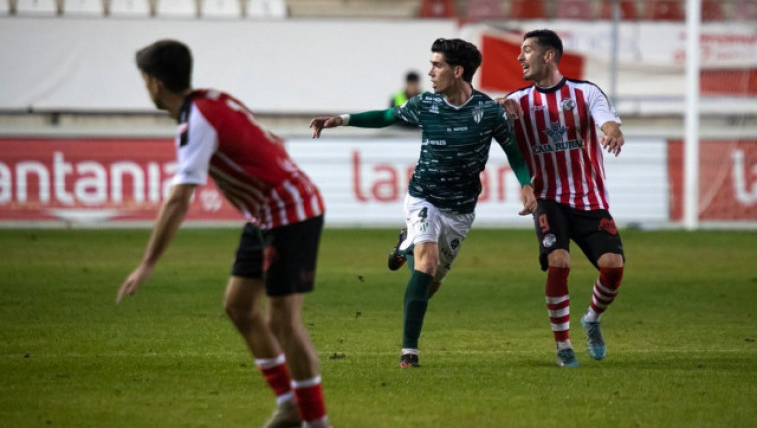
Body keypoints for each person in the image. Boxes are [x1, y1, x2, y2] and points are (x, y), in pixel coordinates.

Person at [116, 40, 333, 428]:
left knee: (283, 322)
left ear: (154, 82)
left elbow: (179, 200)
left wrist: (147, 263)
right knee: (239, 305)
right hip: (264, 214)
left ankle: (316, 422)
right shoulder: (212, 101)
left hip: (290, 213)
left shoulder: (196, 120)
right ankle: (288, 405)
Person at [310, 38, 536, 368]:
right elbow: (387, 115)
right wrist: (341, 120)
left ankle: (406, 245)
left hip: (460, 210)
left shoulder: (488, 112)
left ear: (458, 71)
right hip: (423, 198)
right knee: (426, 264)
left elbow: (514, 153)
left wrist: (526, 185)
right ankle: (409, 352)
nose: (430, 72)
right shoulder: (425, 104)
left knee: (430, 283)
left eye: (437, 65)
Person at [500, 29, 626, 368]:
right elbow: (493, 126)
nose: (519, 57)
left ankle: (592, 320)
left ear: (549, 56)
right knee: (559, 262)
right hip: (548, 199)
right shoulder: (517, 102)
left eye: (526, 50)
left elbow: (608, 122)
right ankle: (563, 346)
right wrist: (498, 109)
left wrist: (613, 133)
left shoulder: (585, 93)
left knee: (613, 269)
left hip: (590, 199)